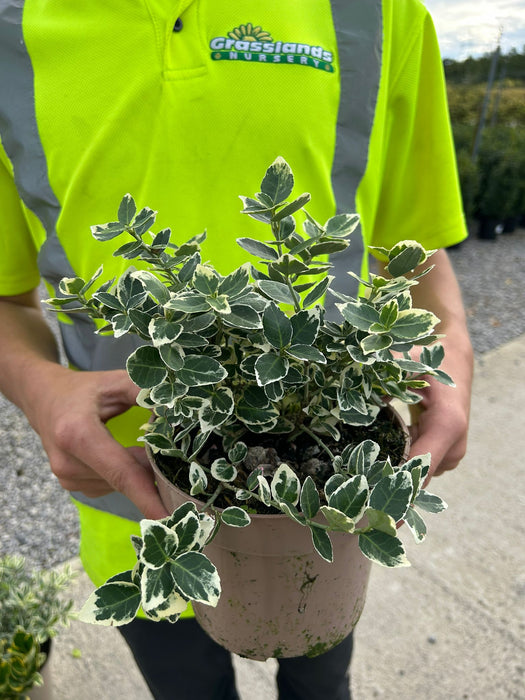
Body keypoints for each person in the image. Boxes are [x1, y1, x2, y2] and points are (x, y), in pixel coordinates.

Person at [0, 1, 473, 698]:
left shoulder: (375, 12)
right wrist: (39, 389)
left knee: (320, 676)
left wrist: (450, 352)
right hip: (132, 495)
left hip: (328, 498)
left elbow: (411, 241)